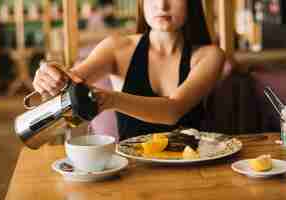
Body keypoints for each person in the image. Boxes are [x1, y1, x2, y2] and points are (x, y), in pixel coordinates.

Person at [33, 0, 226, 141]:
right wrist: (51, 72)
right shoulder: (117, 48)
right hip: (132, 171)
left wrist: (112, 99)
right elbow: (72, 79)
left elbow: (172, 111)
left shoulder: (210, 56)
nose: (162, 4)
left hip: (192, 169)